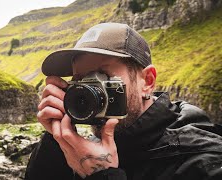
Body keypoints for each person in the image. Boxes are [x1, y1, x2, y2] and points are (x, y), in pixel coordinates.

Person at [25, 23, 222, 180]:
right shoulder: (86, 149)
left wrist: (103, 176)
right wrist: (56, 141)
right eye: (80, 81)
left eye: (102, 75)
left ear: (148, 81)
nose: (89, 91)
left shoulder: (203, 162)